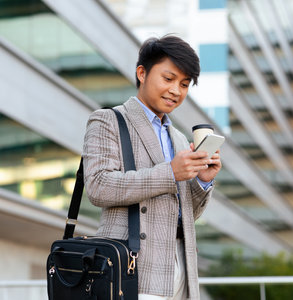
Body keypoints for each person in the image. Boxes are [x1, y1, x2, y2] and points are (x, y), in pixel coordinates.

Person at [82, 35, 221, 300]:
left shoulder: (179, 139)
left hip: (182, 265)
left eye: (184, 84)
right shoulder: (108, 120)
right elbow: (98, 186)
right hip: (134, 266)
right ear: (142, 73)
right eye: (168, 79)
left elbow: (185, 214)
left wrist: (202, 182)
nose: (176, 91)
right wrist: (170, 172)